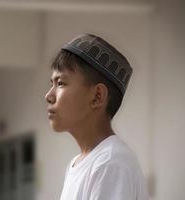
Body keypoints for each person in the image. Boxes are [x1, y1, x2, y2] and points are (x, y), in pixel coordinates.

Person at [45, 34, 149, 200]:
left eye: (61, 83)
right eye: (52, 84)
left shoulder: (111, 163)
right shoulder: (79, 164)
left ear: (97, 96)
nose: (49, 96)